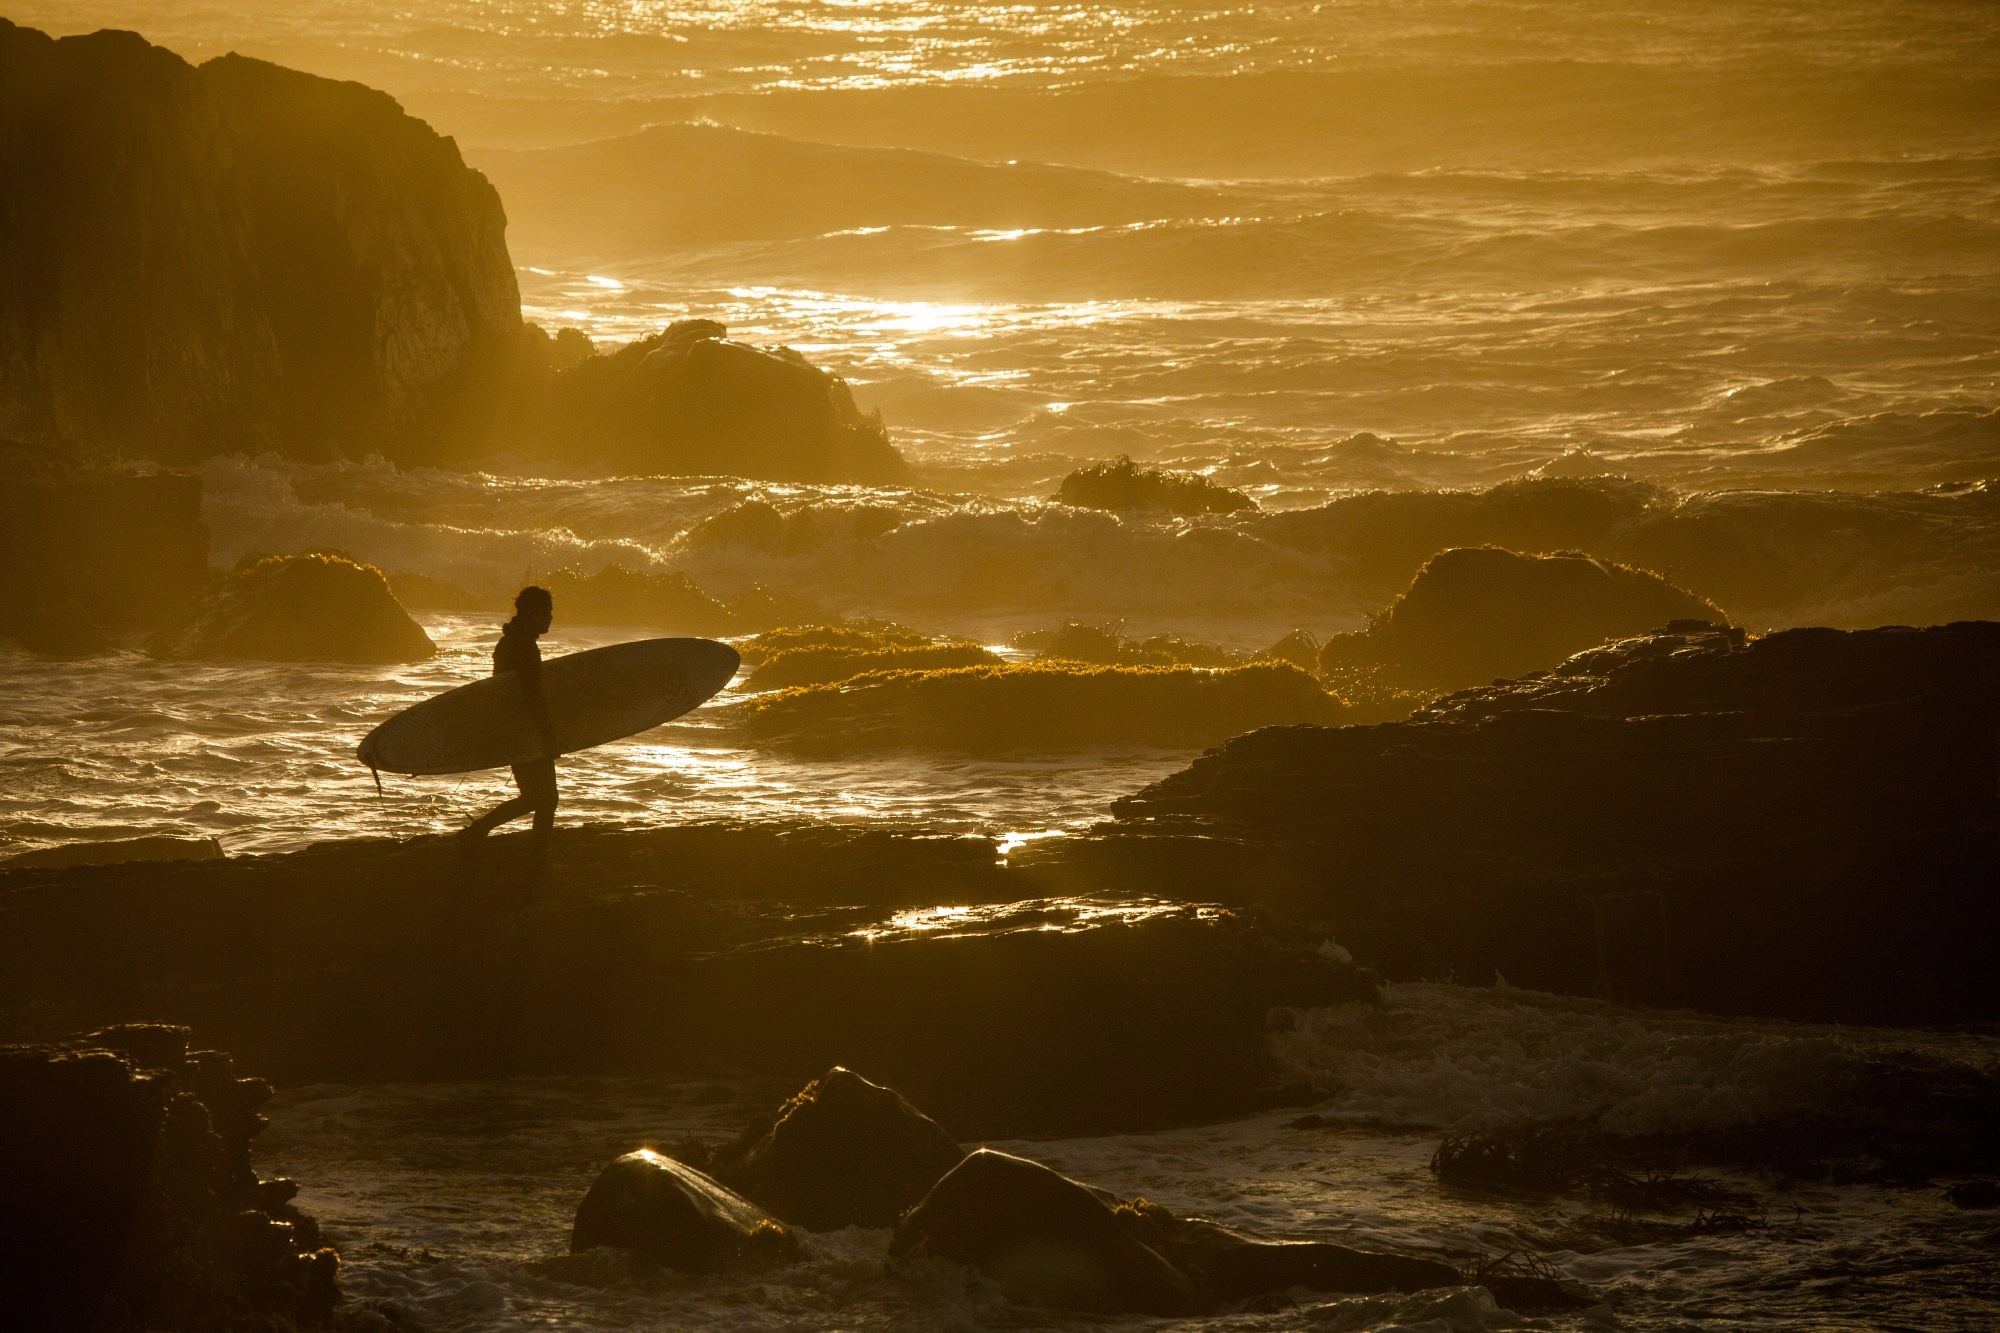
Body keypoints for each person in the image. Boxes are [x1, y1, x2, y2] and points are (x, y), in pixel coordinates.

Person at [464, 586, 560, 836]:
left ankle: (481, 830)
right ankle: (534, 852)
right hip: (524, 732)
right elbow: (532, 697)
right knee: (545, 799)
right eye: (547, 612)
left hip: (513, 730)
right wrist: (548, 736)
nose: (551, 617)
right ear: (533, 613)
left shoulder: (510, 641)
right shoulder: (523, 647)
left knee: (539, 798)